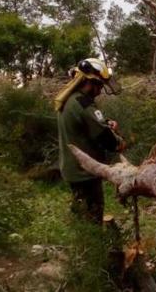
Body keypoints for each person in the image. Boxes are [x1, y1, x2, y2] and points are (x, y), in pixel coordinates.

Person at [56, 58, 125, 223]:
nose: (100, 91)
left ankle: (83, 242)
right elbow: (106, 138)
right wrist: (119, 142)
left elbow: (87, 124)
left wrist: (106, 123)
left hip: (73, 168)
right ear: (90, 82)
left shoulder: (69, 99)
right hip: (84, 172)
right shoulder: (83, 103)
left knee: (81, 211)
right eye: (99, 86)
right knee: (92, 217)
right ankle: (91, 246)